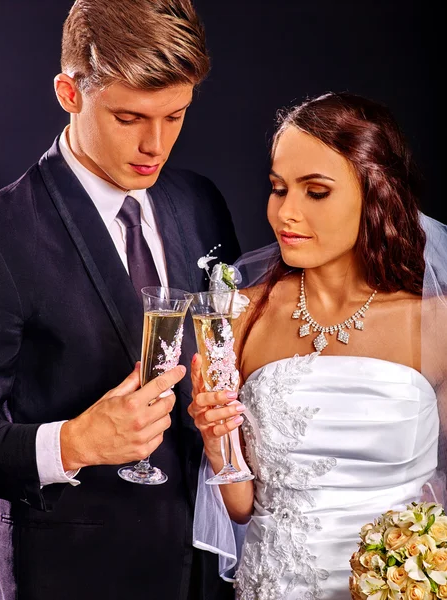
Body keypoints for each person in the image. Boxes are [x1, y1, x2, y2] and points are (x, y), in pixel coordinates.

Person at [0, 1, 239, 599]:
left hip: (207, 567)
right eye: (129, 117)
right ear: (68, 93)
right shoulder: (4, 231)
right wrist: (74, 442)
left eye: (175, 116)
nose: (155, 145)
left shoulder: (200, 200)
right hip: (74, 575)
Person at [188, 92, 447, 599]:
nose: (287, 212)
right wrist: (213, 436)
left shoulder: (436, 323)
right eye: (278, 188)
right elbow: (242, 506)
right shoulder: (237, 315)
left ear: (376, 193)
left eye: (316, 191)